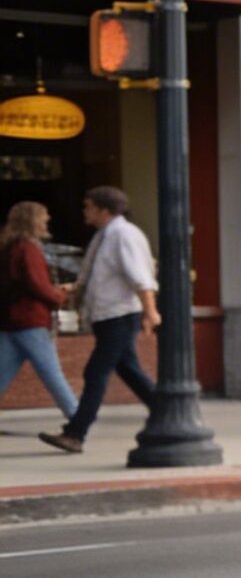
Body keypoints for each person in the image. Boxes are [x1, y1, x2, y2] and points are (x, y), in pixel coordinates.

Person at [40, 187, 158, 455]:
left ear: (104, 210)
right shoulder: (105, 236)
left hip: (120, 313)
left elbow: (140, 276)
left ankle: (75, 433)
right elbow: (101, 274)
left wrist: (150, 311)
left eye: (88, 207)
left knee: (96, 372)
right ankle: (165, 409)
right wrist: (76, 288)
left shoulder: (123, 235)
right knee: (128, 369)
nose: (85, 211)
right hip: (108, 314)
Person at [0, 201, 79, 423]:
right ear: (32, 221)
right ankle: (78, 419)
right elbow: (38, 284)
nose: (46, 223)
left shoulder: (9, 247)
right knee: (52, 374)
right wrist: (60, 297)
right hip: (31, 319)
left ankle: (77, 417)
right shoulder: (28, 248)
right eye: (43, 219)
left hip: (11, 320)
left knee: (2, 373)